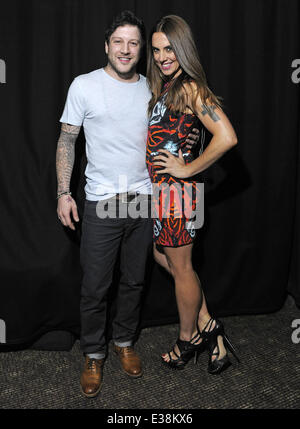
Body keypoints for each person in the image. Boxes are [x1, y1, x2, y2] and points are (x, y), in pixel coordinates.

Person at [56, 11, 199, 398]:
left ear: (141, 51)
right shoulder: (83, 86)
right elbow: (67, 140)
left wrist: (187, 155)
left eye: (133, 43)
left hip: (145, 200)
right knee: (95, 286)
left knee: (135, 280)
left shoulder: (155, 89)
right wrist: (63, 193)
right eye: (118, 41)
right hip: (102, 201)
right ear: (106, 46)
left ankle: (123, 343)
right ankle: (93, 352)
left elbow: (176, 130)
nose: (125, 49)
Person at [146, 15, 239, 374]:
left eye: (169, 49)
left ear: (182, 48)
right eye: (156, 50)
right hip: (163, 194)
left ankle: (188, 339)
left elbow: (227, 137)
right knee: (162, 256)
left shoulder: (189, 87)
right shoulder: (168, 88)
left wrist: (186, 168)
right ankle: (209, 325)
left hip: (176, 195)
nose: (161, 56)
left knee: (181, 267)